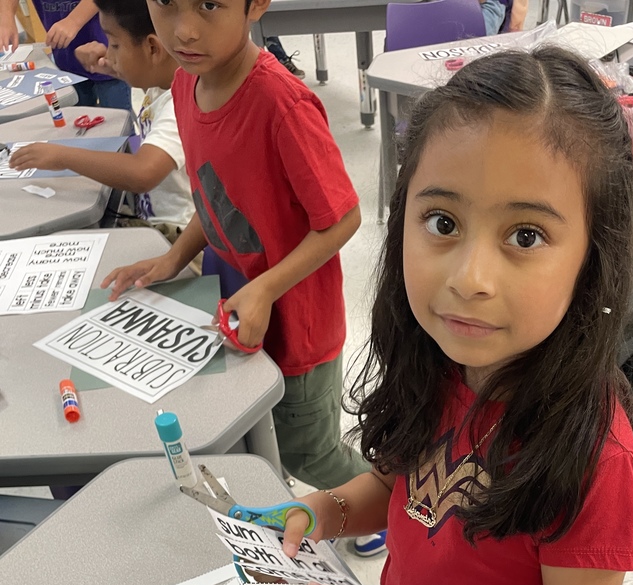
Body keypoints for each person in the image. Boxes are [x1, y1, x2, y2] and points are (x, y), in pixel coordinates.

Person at [280, 48, 633, 585]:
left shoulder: (600, 462)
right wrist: (327, 509)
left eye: (525, 235)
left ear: (592, 257)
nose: (470, 278)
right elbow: (401, 482)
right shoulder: (446, 363)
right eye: (442, 223)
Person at [102, 0, 368, 498]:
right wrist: (174, 257)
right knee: (259, 433)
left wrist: (266, 287)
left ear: (257, 4)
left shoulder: (281, 105)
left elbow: (343, 217)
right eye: (164, 3)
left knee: (310, 451)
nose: (184, 31)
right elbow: (214, 195)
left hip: (299, 326)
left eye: (208, 5)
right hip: (240, 306)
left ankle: (397, 510)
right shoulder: (186, 84)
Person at [9, 0, 195, 247]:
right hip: (155, 221)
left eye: (115, 45)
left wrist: (60, 156)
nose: (109, 53)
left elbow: (143, 173)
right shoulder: (170, 80)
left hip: (179, 238)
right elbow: (152, 74)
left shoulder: (180, 104)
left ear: (153, 48)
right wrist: (111, 65)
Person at [0, 0, 131, 110]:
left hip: (105, 53)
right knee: (75, 119)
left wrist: (74, 21)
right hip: (65, 56)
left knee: (118, 120)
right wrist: (6, 16)